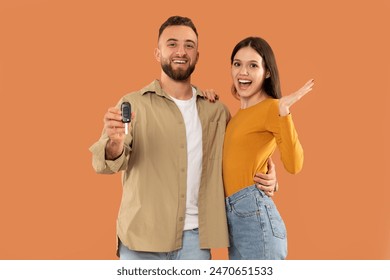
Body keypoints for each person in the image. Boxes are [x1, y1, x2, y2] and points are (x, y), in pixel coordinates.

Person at [89, 16, 277, 260]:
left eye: (189, 45)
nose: (181, 51)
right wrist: (114, 143)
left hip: (195, 242)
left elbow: (239, 157)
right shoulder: (133, 104)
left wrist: (270, 177)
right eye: (172, 44)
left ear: (197, 56)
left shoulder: (216, 111)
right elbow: (103, 164)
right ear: (157, 53)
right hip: (141, 240)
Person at [222, 37, 314, 259]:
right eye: (237, 64)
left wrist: (284, 112)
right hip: (235, 217)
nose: (243, 72)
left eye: (253, 65)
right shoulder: (237, 116)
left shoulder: (272, 108)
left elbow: (294, 165)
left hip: (254, 217)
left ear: (267, 72)